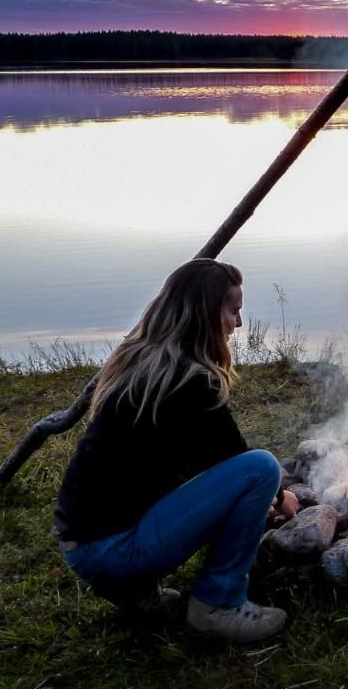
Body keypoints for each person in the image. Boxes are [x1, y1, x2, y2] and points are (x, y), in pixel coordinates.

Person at [54, 258, 299, 643]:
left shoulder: (144, 366)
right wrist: (283, 498)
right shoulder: (190, 382)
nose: (238, 323)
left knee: (231, 476)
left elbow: (198, 470)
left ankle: (138, 592)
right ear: (205, 313)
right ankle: (218, 605)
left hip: (83, 547)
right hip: (112, 552)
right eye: (233, 311)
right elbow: (238, 462)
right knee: (262, 469)